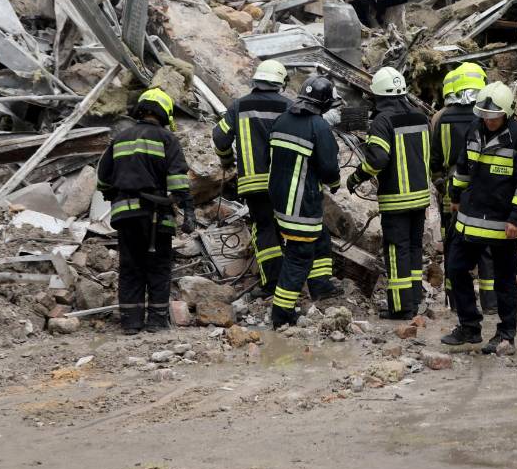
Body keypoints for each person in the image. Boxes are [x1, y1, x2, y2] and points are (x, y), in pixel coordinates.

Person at [441, 82, 517, 355]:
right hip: (469, 216)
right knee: (457, 268)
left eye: (493, 116)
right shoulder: (474, 129)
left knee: (504, 279)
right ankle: (469, 326)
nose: (489, 120)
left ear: (506, 113)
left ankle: (506, 334)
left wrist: (516, 219)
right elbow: (462, 168)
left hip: (501, 223)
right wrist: (455, 196)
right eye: (485, 115)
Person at [96, 88, 194, 334]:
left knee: (131, 265)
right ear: (165, 113)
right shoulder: (167, 139)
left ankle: (130, 322)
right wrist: (187, 209)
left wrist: (115, 195)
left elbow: (103, 179)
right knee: (158, 265)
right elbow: (178, 181)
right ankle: (157, 321)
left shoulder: (120, 138)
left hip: (125, 215)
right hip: (155, 215)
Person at [347, 67, 432, 319]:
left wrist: (357, 176)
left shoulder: (383, 121)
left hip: (396, 199)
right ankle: (414, 301)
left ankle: (400, 307)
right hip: (420, 197)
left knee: (396, 251)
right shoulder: (419, 117)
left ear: (379, 95)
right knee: (414, 248)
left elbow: (378, 159)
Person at [267, 75, 343, 328]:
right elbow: (330, 168)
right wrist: (334, 184)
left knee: (320, 236)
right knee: (299, 257)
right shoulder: (318, 127)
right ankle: (282, 312)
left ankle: (321, 285)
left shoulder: (282, 120)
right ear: (323, 104)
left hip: (279, 200)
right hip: (300, 203)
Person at [211, 60, 292, 297]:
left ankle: (272, 285)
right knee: (287, 228)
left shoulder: (239, 106)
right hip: (286, 182)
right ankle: (292, 283)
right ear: (279, 82)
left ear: (256, 80)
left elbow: (219, 138)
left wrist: (226, 160)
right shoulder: (290, 106)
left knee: (264, 229)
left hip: (254, 183)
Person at [430, 62, 496, 312]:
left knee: (453, 248)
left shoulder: (443, 118)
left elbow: (434, 161)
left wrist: (440, 186)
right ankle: (490, 303)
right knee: (486, 247)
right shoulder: (489, 120)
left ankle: (455, 300)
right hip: (483, 193)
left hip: (451, 194)